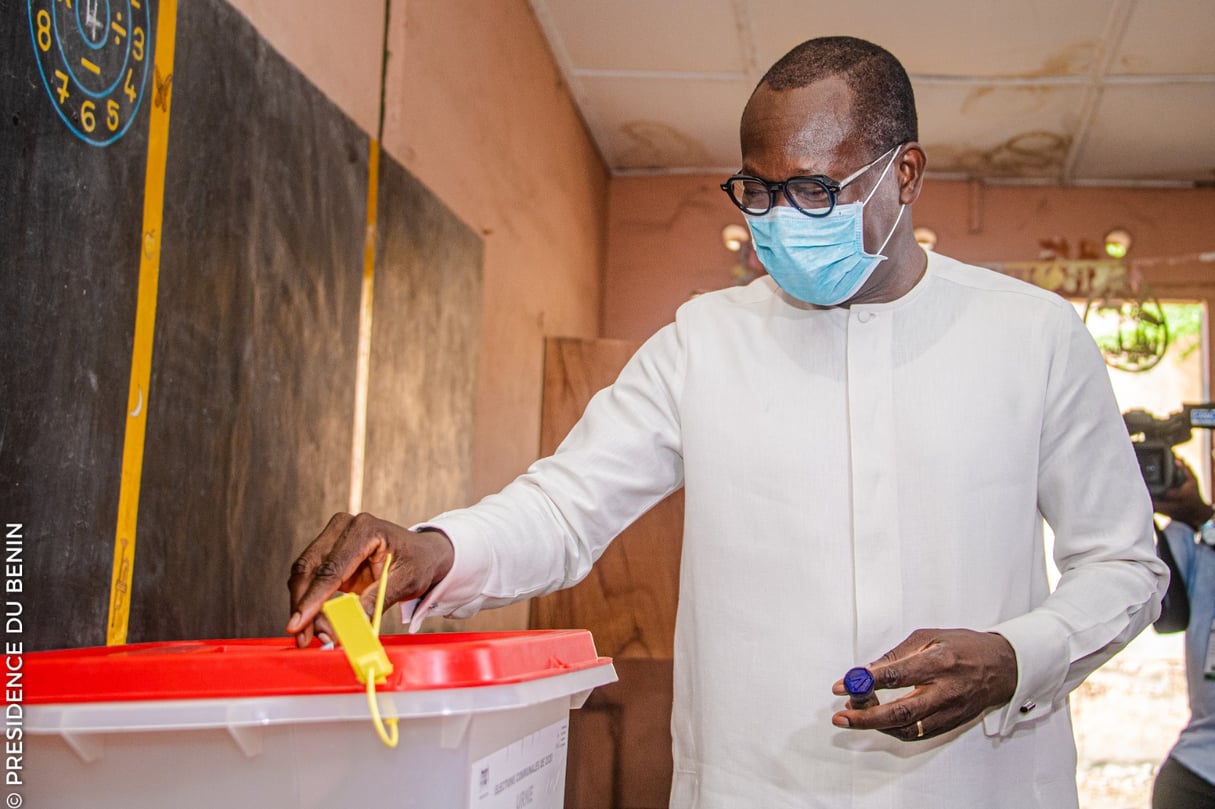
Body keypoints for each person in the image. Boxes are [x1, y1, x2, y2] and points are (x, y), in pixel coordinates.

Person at [286, 36, 1168, 808]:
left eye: (816, 191)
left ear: (904, 175)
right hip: (754, 788)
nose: (779, 222)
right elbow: (564, 506)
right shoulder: (704, 341)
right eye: (758, 189)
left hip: (979, 785)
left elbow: (1124, 565)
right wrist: (435, 550)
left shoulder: (1031, 336)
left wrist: (1016, 656)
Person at [1151, 458, 1215, 808]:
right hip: (1198, 769)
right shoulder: (1194, 534)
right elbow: (1167, 618)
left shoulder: (1203, 525)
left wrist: (1204, 519)